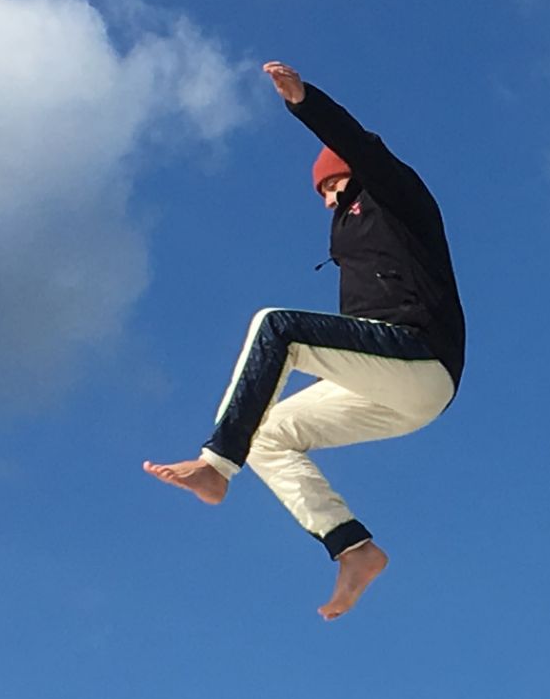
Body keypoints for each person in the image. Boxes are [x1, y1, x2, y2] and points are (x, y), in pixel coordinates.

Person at [144, 63, 465, 620]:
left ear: (354, 176)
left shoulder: (399, 198)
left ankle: (215, 465)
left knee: (278, 326)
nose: (325, 202)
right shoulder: (348, 232)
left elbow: (360, 148)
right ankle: (353, 548)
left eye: (332, 187)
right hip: (392, 387)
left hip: (420, 353)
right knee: (268, 434)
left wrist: (305, 103)